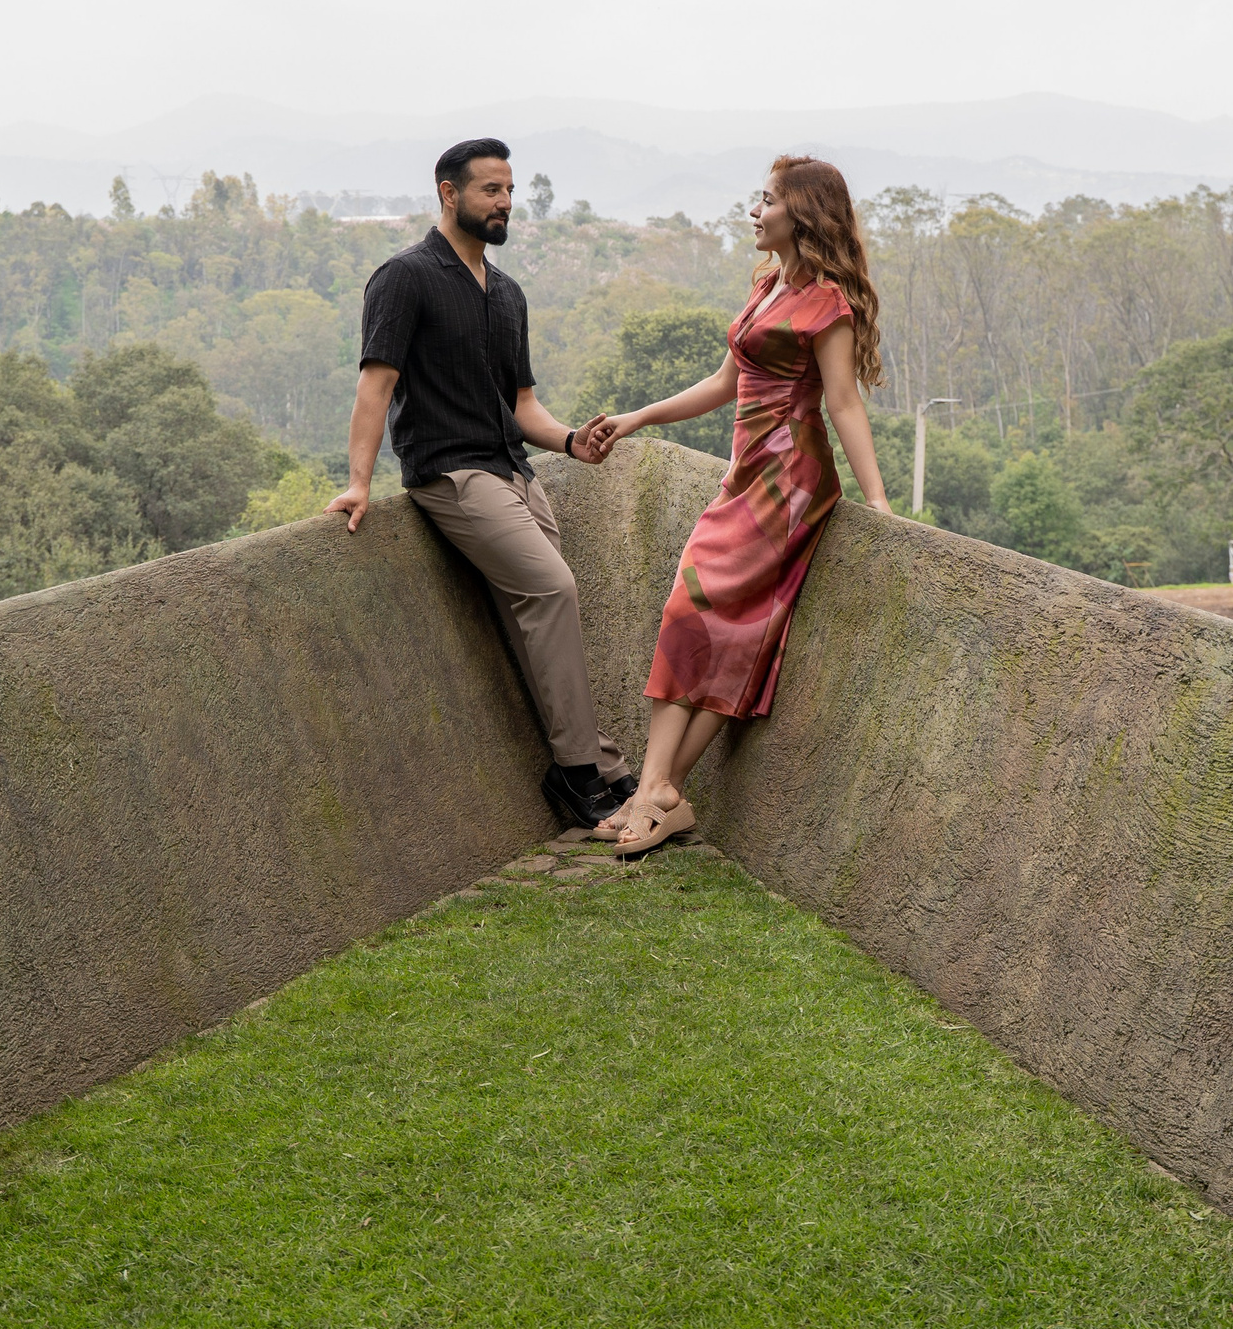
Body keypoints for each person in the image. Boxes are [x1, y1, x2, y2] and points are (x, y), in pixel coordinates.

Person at [578, 156, 893, 858]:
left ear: (802, 214)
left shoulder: (829, 304)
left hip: (789, 481)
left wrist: (876, 499)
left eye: (768, 200)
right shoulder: (765, 285)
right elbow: (727, 382)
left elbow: (843, 402)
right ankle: (661, 793)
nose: (755, 211)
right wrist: (638, 417)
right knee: (693, 618)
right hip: (745, 473)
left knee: (718, 622)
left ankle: (654, 792)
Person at [325, 136, 635, 832]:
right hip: (452, 473)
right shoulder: (404, 277)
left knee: (543, 614)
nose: (504, 203)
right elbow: (376, 385)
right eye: (491, 190)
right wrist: (359, 483)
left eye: (509, 191)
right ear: (449, 192)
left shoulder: (508, 294)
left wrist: (571, 442)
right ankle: (579, 773)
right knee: (552, 590)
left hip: (514, 470)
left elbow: (522, 405)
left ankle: (601, 762)